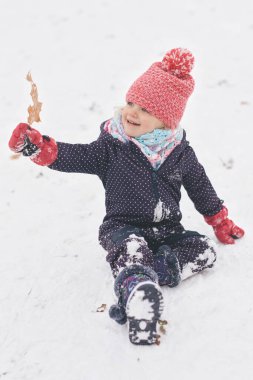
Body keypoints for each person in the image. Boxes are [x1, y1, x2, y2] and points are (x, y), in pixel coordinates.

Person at [8, 48, 244, 345]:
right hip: (123, 227)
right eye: (131, 102)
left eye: (145, 109)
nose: (131, 112)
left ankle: (152, 276)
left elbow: (200, 185)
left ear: (166, 120)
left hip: (168, 230)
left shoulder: (180, 153)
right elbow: (75, 156)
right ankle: (136, 284)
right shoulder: (112, 147)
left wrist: (219, 219)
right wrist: (38, 148)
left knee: (204, 251)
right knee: (131, 249)